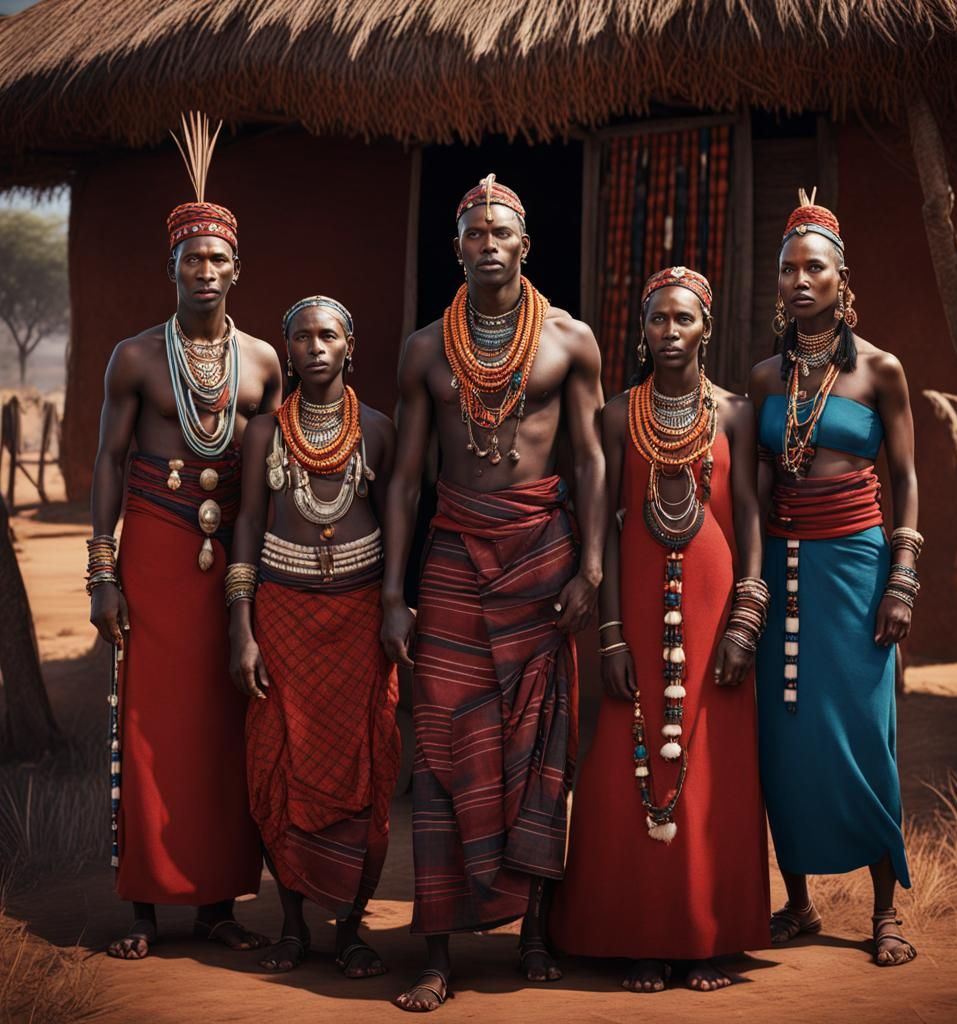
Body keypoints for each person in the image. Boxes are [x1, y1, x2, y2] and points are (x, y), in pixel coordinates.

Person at [382, 174, 606, 1011]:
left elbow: (587, 459)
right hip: (450, 561)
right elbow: (407, 481)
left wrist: (589, 568)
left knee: (539, 749)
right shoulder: (423, 350)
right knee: (442, 744)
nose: (487, 244)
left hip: (542, 558)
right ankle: (436, 947)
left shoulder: (569, 341)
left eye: (500, 232)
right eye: (473, 233)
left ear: (524, 245)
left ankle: (534, 931)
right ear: (456, 249)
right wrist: (394, 597)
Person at [87, 113, 281, 959]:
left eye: (218, 259)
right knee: (151, 724)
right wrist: (102, 572)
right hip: (159, 555)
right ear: (169, 267)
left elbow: (271, 469)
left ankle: (216, 906)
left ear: (238, 269)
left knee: (222, 729)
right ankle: (144, 905)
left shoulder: (266, 363)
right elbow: (105, 465)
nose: (205, 270)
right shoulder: (134, 358)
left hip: (232, 563)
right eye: (190, 258)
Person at [549, 267, 771, 993]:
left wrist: (747, 614)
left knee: (712, 759)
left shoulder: (736, 411)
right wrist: (610, 634)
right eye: (656, 321)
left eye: (682, 320)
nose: (669, 333)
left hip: (714, 604)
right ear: (641, 331)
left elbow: (747, 517)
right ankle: (641, 936)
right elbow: (606, 528)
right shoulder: (618, 414)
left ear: (706, 326)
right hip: (637, 603)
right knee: (629, 749)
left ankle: (703, 936)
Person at [749, 189, 920, 968]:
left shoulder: (881, 370)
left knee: (861, 736)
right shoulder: (762, 377)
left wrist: (903, 578)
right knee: (785, 736)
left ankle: (885, 912)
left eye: (814, 267)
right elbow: (752, 491)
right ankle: (800, 903)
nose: (799, 280)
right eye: (788, 269)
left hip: (858, 568)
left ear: (840, 279)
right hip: (784, 571)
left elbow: (907, 479)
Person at [228, 295, 399, 976]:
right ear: (287, 350)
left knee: (371, 766)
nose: (316, 347)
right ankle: (294, 926)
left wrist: (395, 609)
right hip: (282, 618)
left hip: (359, 620)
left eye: (329, 335)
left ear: (350, 345)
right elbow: (244, 524)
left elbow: (398, 529)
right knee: (277, 763)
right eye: (303, 337)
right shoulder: (264, 433)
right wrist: (241, 626)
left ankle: (352, 929)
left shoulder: (379, 431)